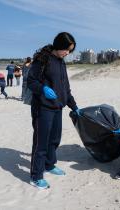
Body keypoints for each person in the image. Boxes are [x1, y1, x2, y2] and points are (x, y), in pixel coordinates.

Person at [27, 32, 80, 189]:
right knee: (40, 143)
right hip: (43, 108)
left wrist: (74, 106)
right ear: (59, 45)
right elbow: (31, 81)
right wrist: (43, 88)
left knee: (54, 139)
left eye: (70, 51)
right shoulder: (42, 60)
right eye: (67, 50)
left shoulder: (61, 62)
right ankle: (36, 176)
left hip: (58, 107)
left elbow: (65, 88)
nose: (68, 53)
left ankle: (49, 165)